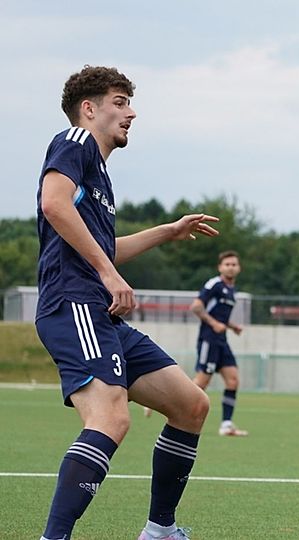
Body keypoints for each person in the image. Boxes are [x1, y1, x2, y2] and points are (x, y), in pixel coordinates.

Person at [34, 66, 218, 540]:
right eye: (119, 101)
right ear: (89, 109)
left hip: (100, 312)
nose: (131, 112)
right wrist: (108, 273)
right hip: (73, 304)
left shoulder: (97, 174)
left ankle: (159, 530)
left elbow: (102, 245)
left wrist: (168, 231)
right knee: (111, 418)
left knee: (191, 406)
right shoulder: (73, 140)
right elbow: (54, 205)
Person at [191, 250, 248, 436]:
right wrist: (214, 323)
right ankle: (163, 404)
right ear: (220, 267)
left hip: (222, 340)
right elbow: (196, 307)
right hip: (209, 338)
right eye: (227, 264)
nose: (231, 267)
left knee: (233, 380)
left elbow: (220, 316)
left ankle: (226, 425)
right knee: (201, 383)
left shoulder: (232, 290)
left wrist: (232, 327)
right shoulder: (214, 284)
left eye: (234, 264)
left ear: (238, 268)